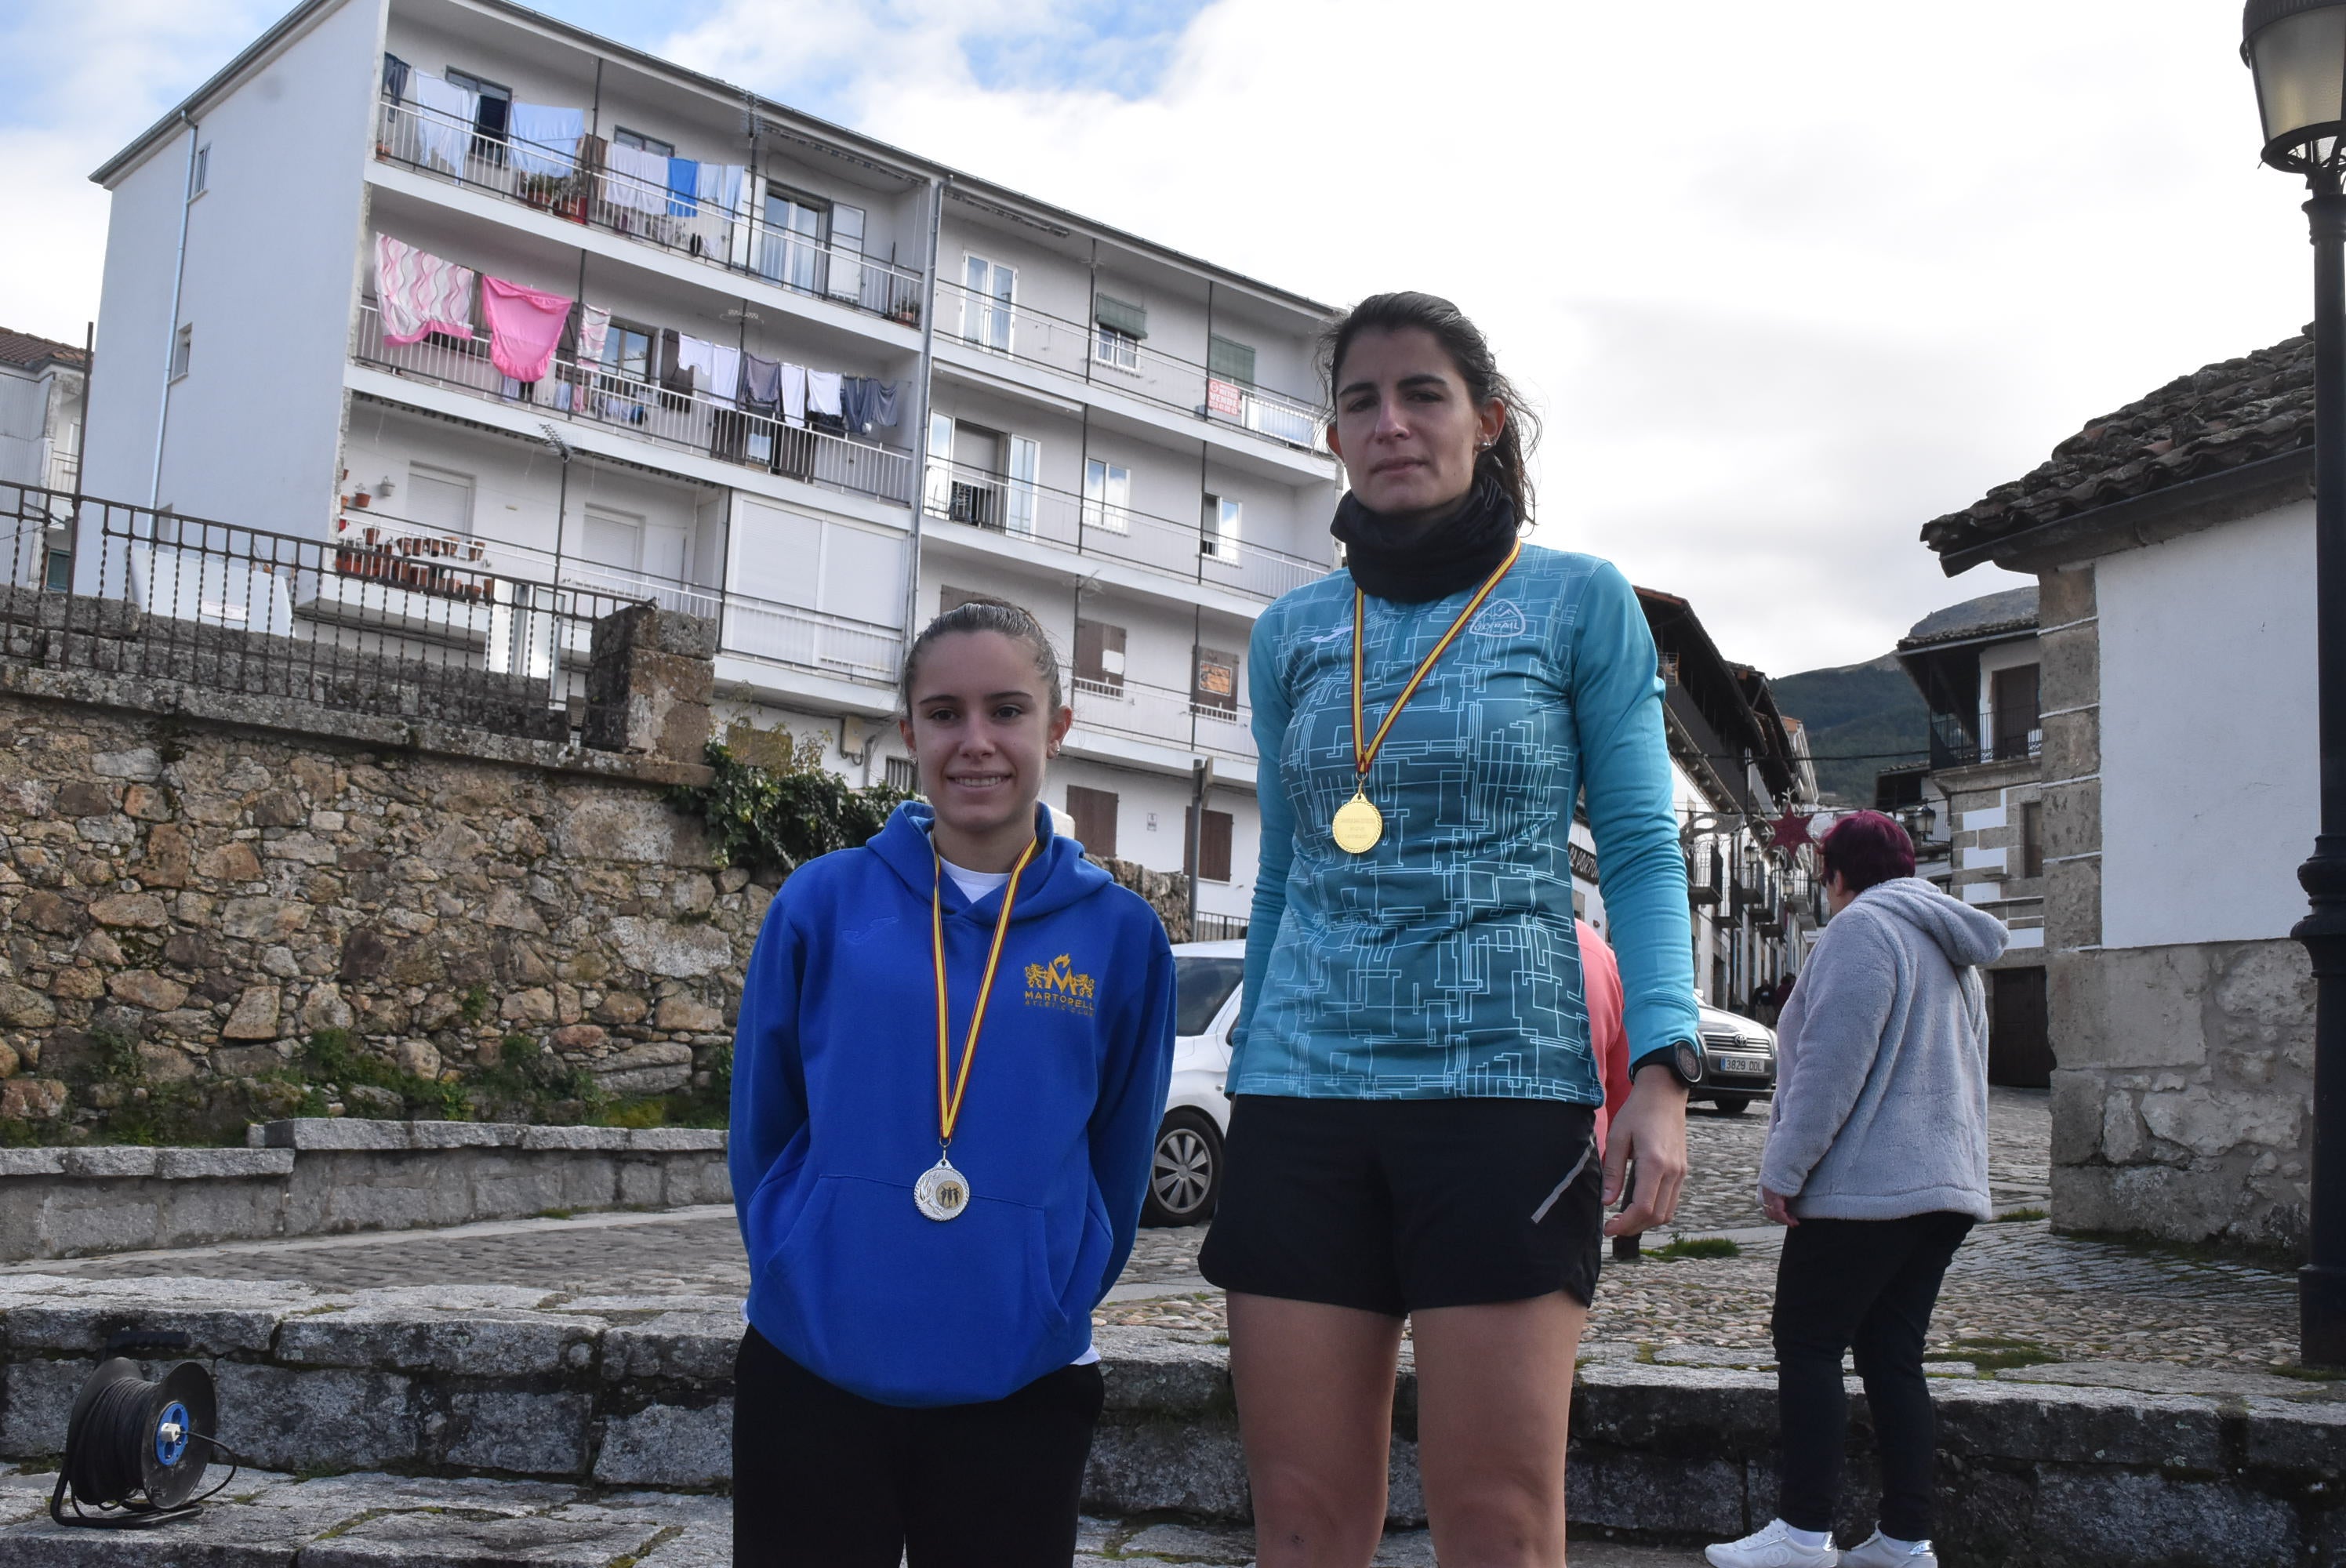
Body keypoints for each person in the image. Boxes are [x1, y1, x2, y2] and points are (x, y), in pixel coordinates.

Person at [1198, 292, 1703, 1566]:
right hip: (1302, 1101)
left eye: (1421, 393)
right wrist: (1250, 1069)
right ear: (1331, 438)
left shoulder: (1578, 601)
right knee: (1301, 1527)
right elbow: (1281, 879)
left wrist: (1660, 1071)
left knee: (1496, 1524)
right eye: (1360, 401)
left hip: (1502, 1095)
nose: (1391, 423)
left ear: (1484, 420)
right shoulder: (1290, 635)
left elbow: (1642, 853)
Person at [728, 598, 1178, 1566]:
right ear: (909, 732)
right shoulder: (822, 900)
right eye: (944, 713)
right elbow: (764, 1124)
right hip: (812, 1364)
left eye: (1007, 710)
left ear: (1057, 726)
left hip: (1021, 1376)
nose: (975, 742)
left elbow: (1119, 1150)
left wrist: (1055, 1288)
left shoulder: (1122, 934)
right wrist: (793, 1252)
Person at [1706, 811, 2004, 1568]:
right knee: (1893, 1357)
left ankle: (1804, 1534)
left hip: (1867, 1188)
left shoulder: (1860, 932)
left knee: (1807, 1344)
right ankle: (1904, 1541)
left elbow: (1830, 1066)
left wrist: (1782, 1171)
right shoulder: (1952, 949)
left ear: (1835, 876)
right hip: (1944, 1188)